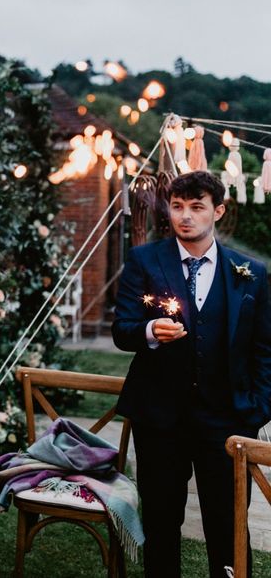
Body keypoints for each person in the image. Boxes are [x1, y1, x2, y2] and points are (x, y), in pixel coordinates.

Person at [112, 170, 271, 578]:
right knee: (162, 522)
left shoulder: (251, 272)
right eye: (178, 206)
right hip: (160, 420)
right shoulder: (145, 260)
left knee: (228, 524)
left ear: (218, 211)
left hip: (227, 421)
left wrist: (257, 410)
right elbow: (122, 330)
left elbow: (265, 349)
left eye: (197, 207)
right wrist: (149, 331)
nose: (185, 216)